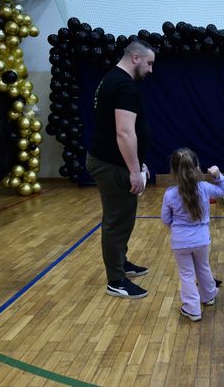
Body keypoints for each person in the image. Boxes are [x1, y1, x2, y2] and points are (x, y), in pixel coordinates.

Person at [86, 39, 155, 299]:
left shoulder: (113, 79)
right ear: (135, 58)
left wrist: (137, 162)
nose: (150, 70)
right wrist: (135, 171)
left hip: (115, 162)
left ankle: (121, 263)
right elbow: (124, 132)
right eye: (149, 63)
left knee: (125, 218)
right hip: (111, 165)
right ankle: (115, 280)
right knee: (116, 222)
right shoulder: (123, 85)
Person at [161, 148, 224, 322]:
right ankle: (208, 296)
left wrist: (178, 229)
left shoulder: (169, 194)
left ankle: (192, 309)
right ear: (197, 167)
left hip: (180, 241)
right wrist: (218, 176)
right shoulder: (204, 188)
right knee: (203, 267)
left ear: (173, 170)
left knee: (187, 275)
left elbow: (165, 219)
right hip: (201, 239)